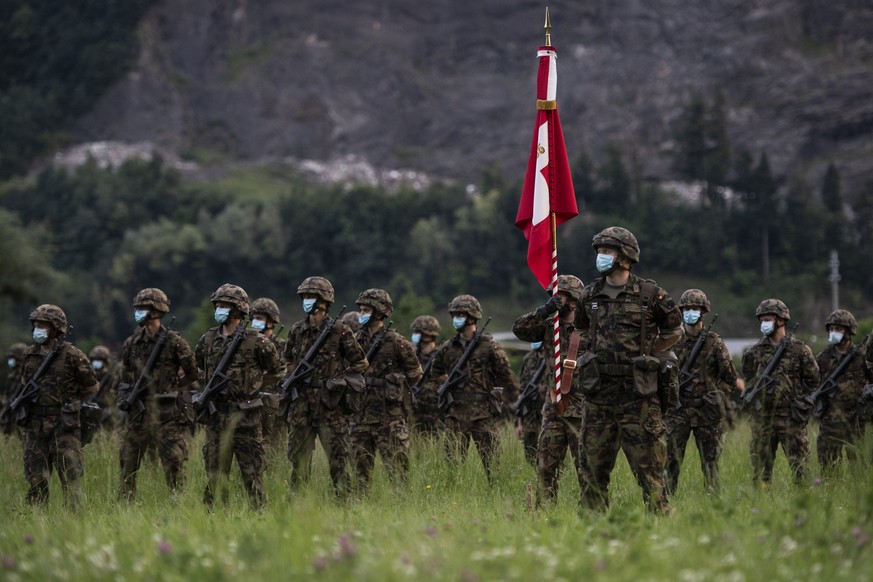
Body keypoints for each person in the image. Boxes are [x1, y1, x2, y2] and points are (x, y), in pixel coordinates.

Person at [575, 227, 682, 513]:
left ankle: (660, 531)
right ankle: (590, 536)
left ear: (625, 257)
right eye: (599, 252)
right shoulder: (589, 295)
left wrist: (652, 352)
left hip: (639, 396)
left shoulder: (650, 294)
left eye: (607, 251)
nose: (601, 257)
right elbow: (581, 329)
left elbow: (674, 328)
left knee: (651, 476)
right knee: (591, 474)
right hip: (599, 395)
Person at [195, 284, 283, 509]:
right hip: (216, 419)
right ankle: (215, 523)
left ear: (237, 310)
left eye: (224, 306)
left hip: (247, 418)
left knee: (252, 476)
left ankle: (259, 521)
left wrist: (254, 387)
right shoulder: (207, 340)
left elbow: (277, 370)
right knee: (215, 476)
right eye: (218, 305)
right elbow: (199, 369)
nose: (219, 310)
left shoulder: (257, 341)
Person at [284, 276, 368, 497]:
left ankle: (345, 503)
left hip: (330, 405)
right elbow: (288, 361)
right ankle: (298, 506)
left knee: (338, 460)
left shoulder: (340, 330)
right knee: (299, 461)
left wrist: (339, 378)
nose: (307, 301)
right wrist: (293, 377)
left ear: (324, 301)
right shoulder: (296, 330)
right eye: (305, 297)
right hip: (302, 404)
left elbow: (360, 362)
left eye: (311, 297)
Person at [513, 274, 587, 505]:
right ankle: (545, 511)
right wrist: (544, 310)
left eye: (562, 296)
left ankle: (592, 510)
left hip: (581, 410)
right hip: (553, 409)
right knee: (546, 466)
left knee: (586, 467)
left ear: (574, 299)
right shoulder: (548, 328)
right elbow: (520, 329)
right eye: (554, 296)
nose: (557, 299)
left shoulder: (588, 329)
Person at [118, 288, 198, 500]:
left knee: (174, 462)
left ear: (155, 311)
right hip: (138, 413)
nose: (138, 312)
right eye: (137, 308)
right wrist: (125, 400)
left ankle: (178, 502)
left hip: (167, 414)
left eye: (142, 308)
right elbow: (124, 378)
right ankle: (125, 505)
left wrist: (173, 387)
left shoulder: (174, 341)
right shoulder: (131, 344)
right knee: (127, 462)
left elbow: (192, 372)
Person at [431, 295, 518, 483]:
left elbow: (507, 376)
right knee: (452, 465)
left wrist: (509, 403)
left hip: (483, 412)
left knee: (492, 465)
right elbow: (435, 371)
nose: (456, 319)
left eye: (461, 314)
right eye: (454, 315)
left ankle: (495, 497)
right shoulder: (448, 347)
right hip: (456, 412)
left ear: (472, 317)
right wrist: (449, 382)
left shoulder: (489, 347)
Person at [19, 304, 98, 507]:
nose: (38, 328)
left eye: (43, 325)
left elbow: (91, 387)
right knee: (36, 478)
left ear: (56, 328)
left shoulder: (73, 355)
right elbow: (24, 385)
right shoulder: (29, 355)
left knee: (70, 478)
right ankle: (36, 520)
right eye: (35, 324)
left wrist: (71, 403)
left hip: (65, 425)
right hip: (36, 425)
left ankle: (74, 521)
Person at [665, 289, 738, 494]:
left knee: (710, 463)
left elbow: (731, 379)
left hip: (708, 412)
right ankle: (667, 502)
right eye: (687, 308)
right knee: (671, 462)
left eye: (695, 309)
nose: (690, 312)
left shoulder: (714, 343)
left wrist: (716, 393)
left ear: (703, 311)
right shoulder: (673, 340)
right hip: (678, 412)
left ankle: (712, 502)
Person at [742, 299, 819, 487]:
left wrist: (801, 402)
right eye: (761, 320)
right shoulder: (754, 352)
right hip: (763, 418)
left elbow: (814, 380)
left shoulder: (800, 350)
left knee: (800, 467)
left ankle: (803, 504)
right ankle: (761, 505)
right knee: (761, 470)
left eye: (767, 319)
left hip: (791, 417)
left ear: (781, 320)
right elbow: (749, 376)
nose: (764, 324)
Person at [351, 289, 422, 491]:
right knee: (359, 476)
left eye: (366, 310)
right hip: (360, 418)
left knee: (398, 474)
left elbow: (415, 374)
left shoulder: (397, 342)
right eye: (361, 309)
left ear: (380, 312)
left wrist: (395, 387)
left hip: (390, 418)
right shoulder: (355, 341)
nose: (362, 314)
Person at [814, 309, 873, 474]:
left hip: (855, 420)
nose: (834, 333)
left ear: (849, 331)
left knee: (859, 466)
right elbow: (814, 383)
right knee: (828, 467)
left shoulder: (862, 356)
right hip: (829, 420)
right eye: (831, 329)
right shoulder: (823, 357)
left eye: (838, 329)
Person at [250, 297, 286, 451]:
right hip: (253, 401)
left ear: (271, 321)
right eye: (253, 318)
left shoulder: (282, 345)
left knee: (276, 447)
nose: (255, 322)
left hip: (275, 403)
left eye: (259, 318)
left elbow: (285, 371)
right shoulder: (248, 344)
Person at [409, 315, 444, 435]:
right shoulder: (413, 356)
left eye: (418, 332)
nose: (415, 335)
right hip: (414, 408)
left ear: (428, 335)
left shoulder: (441, 356)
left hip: (435, 409)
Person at [516, 342, 548, 467]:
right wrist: (519, 423)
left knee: (550, 450)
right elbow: (522, 391)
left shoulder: (554, 358)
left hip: (548, 412)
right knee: (530, 452)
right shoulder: (528, 359)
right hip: (529, 414)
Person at [88, 345, 121, 434]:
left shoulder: (112, 379)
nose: (96, 364)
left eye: (99, 361)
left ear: (105, 362)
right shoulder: (89, 379)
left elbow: (116, 399)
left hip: (107, 418)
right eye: (94, 361)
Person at [1, 342, 27, 436]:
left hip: (21, 409)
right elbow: (7, 391)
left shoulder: (25, 373)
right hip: (10, 407)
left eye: (13, 357)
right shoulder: (12, 373)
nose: (11, 360)